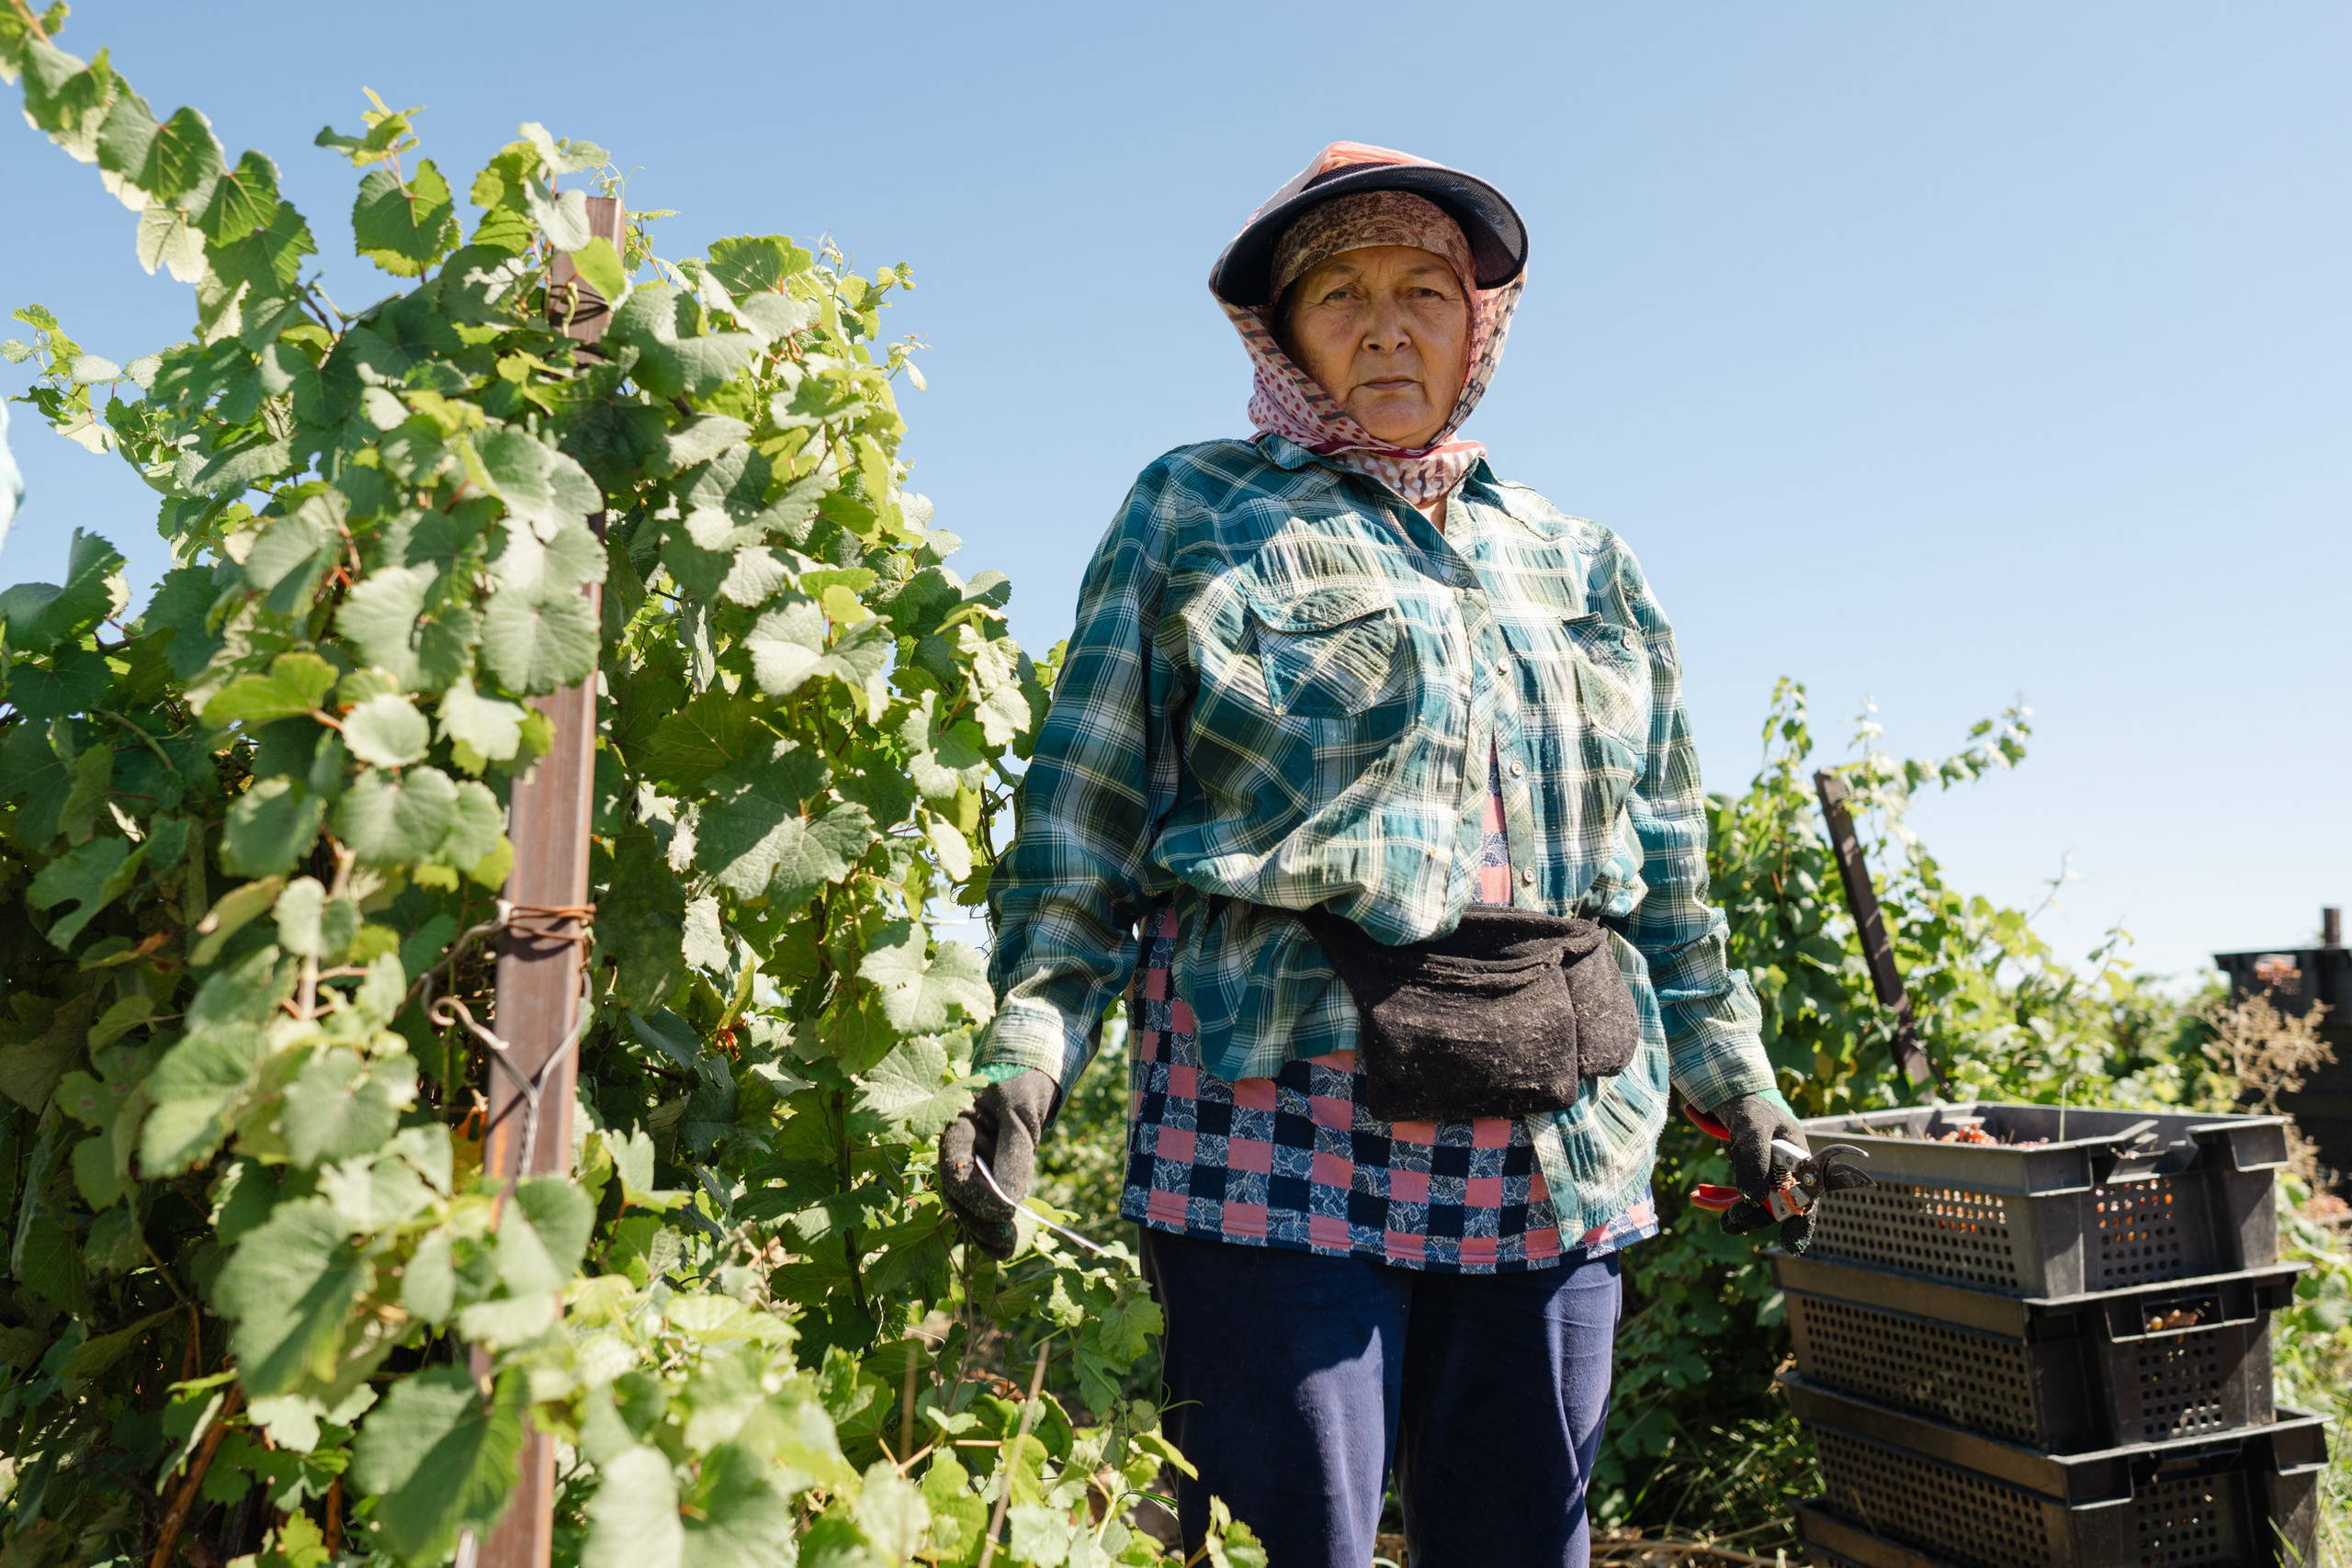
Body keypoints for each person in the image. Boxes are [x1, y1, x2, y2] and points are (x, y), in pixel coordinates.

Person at [939, 141, 1805, 1568]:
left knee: (1526, 1541)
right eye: (1338, 293)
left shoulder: (1586, 565)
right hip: (1278, 1119)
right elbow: (1079, 826)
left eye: (1425, 288)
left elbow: (1672, 885)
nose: (1387, 324)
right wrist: (1027, 1054)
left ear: (1481, 323)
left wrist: (1748, 1096)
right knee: (1286, 1541)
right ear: (1281, 334)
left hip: (1551, 1143)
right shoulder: (1197, 511)